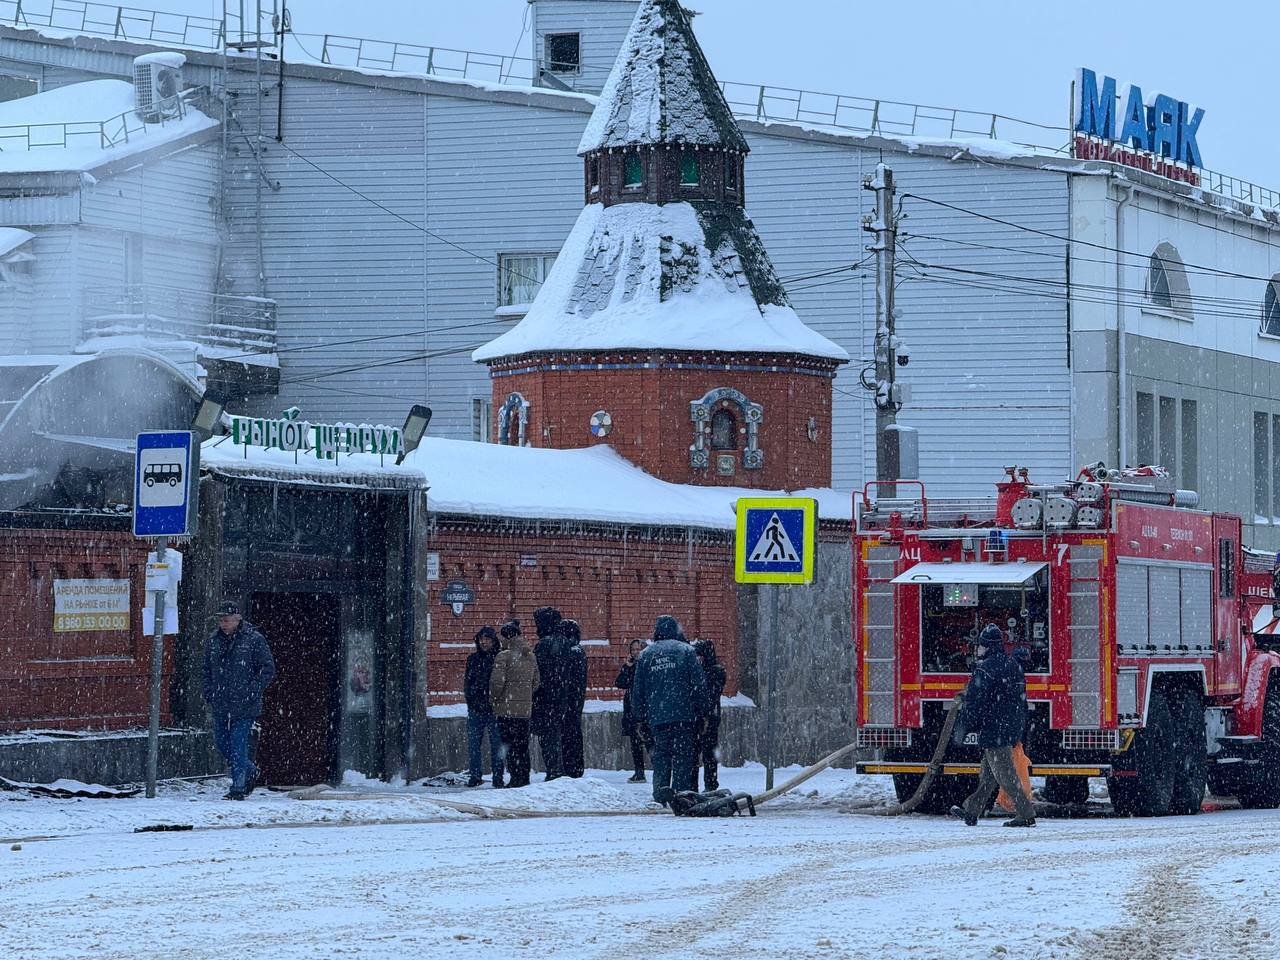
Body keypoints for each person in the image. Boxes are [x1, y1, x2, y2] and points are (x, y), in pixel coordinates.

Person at [950, 624, 1037, 827]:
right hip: (1010, 728)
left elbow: (974, 703)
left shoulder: (985, 669)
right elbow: (1021, 700)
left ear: (986, 647)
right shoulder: (1013, 665)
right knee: (989, 776)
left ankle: (1026, 814)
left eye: (980, 646)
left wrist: (962, 729)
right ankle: (972, 812)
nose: (978, 649)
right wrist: (1019, 727)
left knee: (1005, 775)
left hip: (994, 730)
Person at [202, 601, 275, 801]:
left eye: (226, 620)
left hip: (245, 704)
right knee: (222, 743)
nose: (223, 624)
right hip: (220, 701)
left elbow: (267, 669)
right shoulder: (214, 641)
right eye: (221, 620)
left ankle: (238, 787)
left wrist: (252, 690)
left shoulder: (253, 640)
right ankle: (250, 770)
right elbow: (206, 669)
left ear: (237, 619)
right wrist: (209, 691)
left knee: (237, 745)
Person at [633, 615, 708, 805]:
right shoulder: (686, 651)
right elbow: (699, 685)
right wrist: (704, 711)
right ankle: (681, 794)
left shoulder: (646, 655)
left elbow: (639, 689)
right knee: (683, 757)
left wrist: (639, 717)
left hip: (657, 716)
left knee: (661, 757)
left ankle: (660, 793)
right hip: (684, 715)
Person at [489, 619, 540, 788]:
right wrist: (525, 696)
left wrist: (494, 699)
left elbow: (497, 682)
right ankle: (524, 777)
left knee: (509, 746)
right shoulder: (530, 655)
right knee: (522, 746)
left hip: (506, 708)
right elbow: (536, 682)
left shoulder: (503, 656)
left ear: (505, 638)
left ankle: (514, 778)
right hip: (525, 710)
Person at [531, 607, 570, 781]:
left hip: (546, 698)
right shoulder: (564, 642)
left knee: (549, 737)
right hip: (559, 696)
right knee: (553, 735)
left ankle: (554, 770)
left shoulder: (545, 644)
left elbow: (539, 672)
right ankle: (555, 769)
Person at [464, 625, 503, 788]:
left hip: (494, 708)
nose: (484, 643)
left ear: (493, 641)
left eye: (487, 639)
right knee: (474, 745)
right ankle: (475, 776)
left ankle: (498, 777)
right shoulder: (473, 659)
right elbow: (468, 682)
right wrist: (471, 700)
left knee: (497, 746)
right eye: (481, 640)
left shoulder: (500, 658)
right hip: (476, 708)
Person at [692, 638, 727, 791]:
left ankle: (710, 785)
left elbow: (712, 694)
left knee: (708, 754)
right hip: (698, 717)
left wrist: (705, 712)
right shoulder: (699, 670)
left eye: (699, 655)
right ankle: (696, 785)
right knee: (696, 753)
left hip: (708, 718)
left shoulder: (715, 671)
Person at [615, 639, 649, 783]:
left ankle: (660, 770)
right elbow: (620, 683)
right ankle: (639, 772)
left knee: (649, 742)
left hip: (645, 709)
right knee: (635, 743)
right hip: (631, 709)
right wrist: (628, 666)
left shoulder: (648, 665)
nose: (636, 652)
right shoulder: (631, 666)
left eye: (638, 649)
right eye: (633, 649)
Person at [561, 619, 588, 778]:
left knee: (569, 735)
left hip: (570, 700)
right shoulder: (578, 650)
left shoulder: (572, 652)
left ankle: (572, 767)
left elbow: (568, 678)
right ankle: (575, 767)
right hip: (576, 699)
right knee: (574, 733)